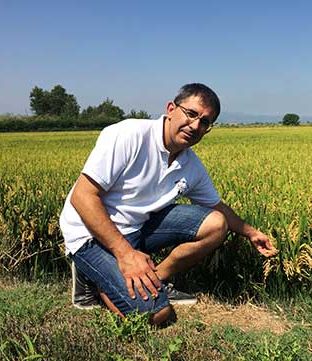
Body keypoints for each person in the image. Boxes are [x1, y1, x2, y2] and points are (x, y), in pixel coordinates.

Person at [59, 83, 278, 325]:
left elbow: (218, 207)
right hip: (91, 233)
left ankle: (155, 279)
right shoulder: (129, 135)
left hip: (137, 228)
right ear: (171, 108)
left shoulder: (191, 165)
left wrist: (251, 233)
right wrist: (125, 254)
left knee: (217, 224)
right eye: (191, 114)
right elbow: (83, 196)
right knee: (156, 315)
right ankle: (92, 278)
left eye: (205, 122)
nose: (195, 126)